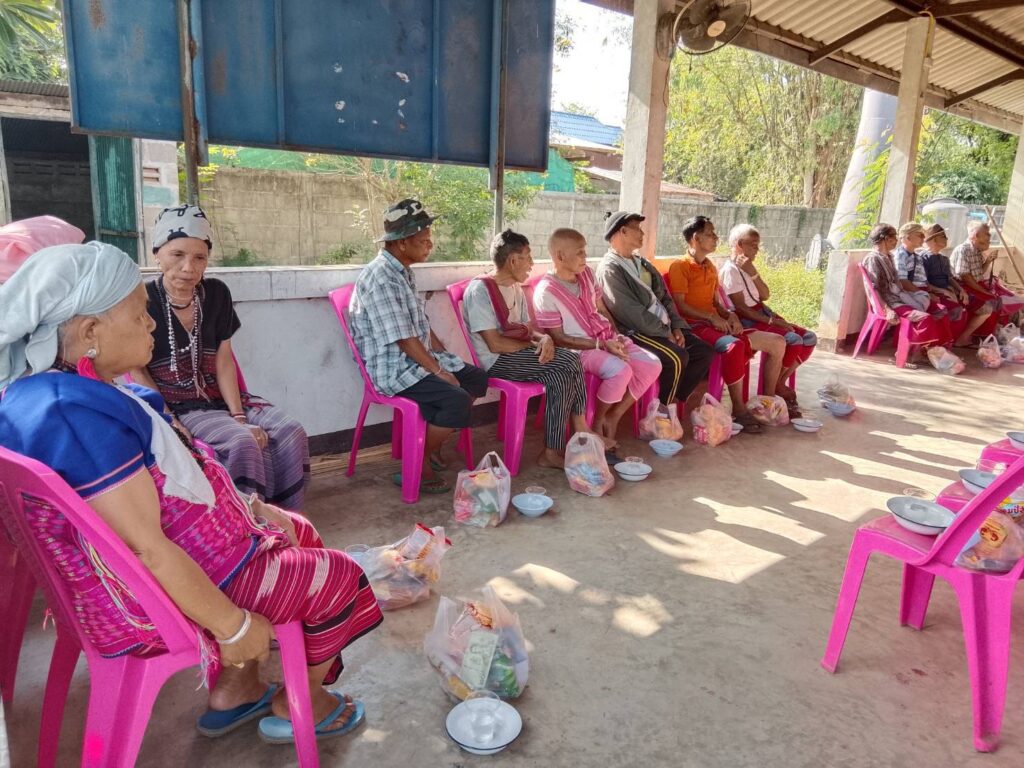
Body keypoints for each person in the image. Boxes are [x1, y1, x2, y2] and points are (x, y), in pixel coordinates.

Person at [0, 243, 382, 745]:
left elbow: (166, 487)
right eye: (140, 315)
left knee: (300, 529)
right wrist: (233, 626)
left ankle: (238, 690)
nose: (151, 325)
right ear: (90, 332)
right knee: (342, 577)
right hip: (171, 593)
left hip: (200, 558)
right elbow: (145, 549)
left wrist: (248, 507)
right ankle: (304, 703)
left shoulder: (57, 392)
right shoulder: (72, 417)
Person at [130, 205, 310, 510]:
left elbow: (224, 360)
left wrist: (239, 416)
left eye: (200, 257)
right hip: (179, 405)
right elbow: (138, 371)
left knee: (291, 431)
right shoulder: (143, 300)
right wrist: (169, 420)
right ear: (156, 253)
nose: (188, 267)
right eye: (177, 254)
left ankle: (287, 514)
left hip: (223, 397)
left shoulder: (216, 293)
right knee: (242, 442)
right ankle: (246, 519)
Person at [349, 199, 489, 494]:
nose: (430, 245)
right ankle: (418, 460)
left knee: (476, 378)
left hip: (414, 358)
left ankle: (429, 445)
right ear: (401, 243)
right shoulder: (382, 279)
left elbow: (420, 325)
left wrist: (445, 358)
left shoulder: (402, 270)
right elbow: (403, 338)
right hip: (393, 367)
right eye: (423, 240)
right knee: (456, 400)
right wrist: (439, 370)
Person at [463, 229, 592, 468]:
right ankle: (578, 431)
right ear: (513, 260)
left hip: (519, 354)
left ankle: (555, 449)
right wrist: (535, 343)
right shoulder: (480, 290)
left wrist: (544, 339)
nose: (532, 264)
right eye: (528, 257)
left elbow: (527, 329)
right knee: (568, 361)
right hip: (496, 361)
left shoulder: (515, 288)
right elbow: (495, 344)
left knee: (563, 370)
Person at [533, 228, 661, 445]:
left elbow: (601, 308)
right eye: (580, 252)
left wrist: (616, 335)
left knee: (652, 364)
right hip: (579, 350)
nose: (585, 256)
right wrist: (601, 344)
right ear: (560, 256)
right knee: (620, 370)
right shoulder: (546, 292)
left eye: (585, 251)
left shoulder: (587, 274)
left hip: (606, 338)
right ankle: (599, 419)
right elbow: (559, 338)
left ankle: (614, 415)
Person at [667, 216, 787, 429]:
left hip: (715, 323)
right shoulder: (680, 266)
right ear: (695, 238)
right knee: (734, 346)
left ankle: (766, 403)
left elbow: (716, 302)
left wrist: (730, 315)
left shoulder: (710, 266)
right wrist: (711, 318)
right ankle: (739, 409)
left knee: (777, 342)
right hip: (694, 326)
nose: (716, 238)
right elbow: (681, 306)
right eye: (710, 234)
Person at [595, 211, 713, 409]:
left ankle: (674, 402)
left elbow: (665, 297)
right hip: (636, 331)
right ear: (622, 231)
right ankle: (661, 410)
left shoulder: (642, 263)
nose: (642, 233)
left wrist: (676, 326)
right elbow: (629, 312)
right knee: (677, 357)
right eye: (637, 229)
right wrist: (665, 332)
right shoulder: (610, 269)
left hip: (662, 326)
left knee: (703, 351)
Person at [720, 223, 816, 414]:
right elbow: (742, 308)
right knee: (793, 339)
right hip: (748, 318)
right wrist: (773, 322)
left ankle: (780, 382)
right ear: (740, 244)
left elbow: (765, 295)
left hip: (762, 312)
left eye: (758, 245)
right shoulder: (730, 270)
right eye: (753, 245)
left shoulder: (747, 267)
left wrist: (752, 271)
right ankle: (770, 393)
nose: (757, 250)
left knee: (809, 338)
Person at [861, 223, 950, 368]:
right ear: (885, 238)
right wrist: (886, 309)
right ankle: (904, 354)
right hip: (891, 303)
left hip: (899, 298)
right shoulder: (873, 259)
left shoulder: (888, 256)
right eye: (894, 237)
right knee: (924, 318)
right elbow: (873, 288)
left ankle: (922, 352)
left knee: (937, 312)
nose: (897, 240)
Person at [920, 223, 996, 347]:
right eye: (943, 236)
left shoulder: (943, 258)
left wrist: (961, 290)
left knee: (986, 309)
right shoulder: (923, 258)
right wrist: (943, 291)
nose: (946, 239)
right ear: (933, 240)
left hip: (951, 291)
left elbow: (950, 278)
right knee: (956, 309)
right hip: (935, 293)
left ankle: (962, 338)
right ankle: (942, 343)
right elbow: (923, 282)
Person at [951, 220, 1024, 324]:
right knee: (992, 301)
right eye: (987, 233)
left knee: (999, 300)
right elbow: (965, 276)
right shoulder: (963, 250)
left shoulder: (977, 250)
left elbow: (979, 272)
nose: (990, 236)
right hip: (964, 287)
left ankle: (994, 329)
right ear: (977, 235)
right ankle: (981, 332)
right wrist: (984, 291)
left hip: (975, 285)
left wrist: (988, 260)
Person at [893, 222, 953, 345]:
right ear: (908, 237)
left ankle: (937, 346)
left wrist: (933, 292)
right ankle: (920, 347)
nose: (923, 238)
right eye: (920, 235)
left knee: (942, 310)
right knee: (932, 314)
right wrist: (925, 294)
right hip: (909, 294)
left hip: (920, 293)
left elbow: (923, 281)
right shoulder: (901, 255)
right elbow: (903, 282)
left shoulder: (917, 257)